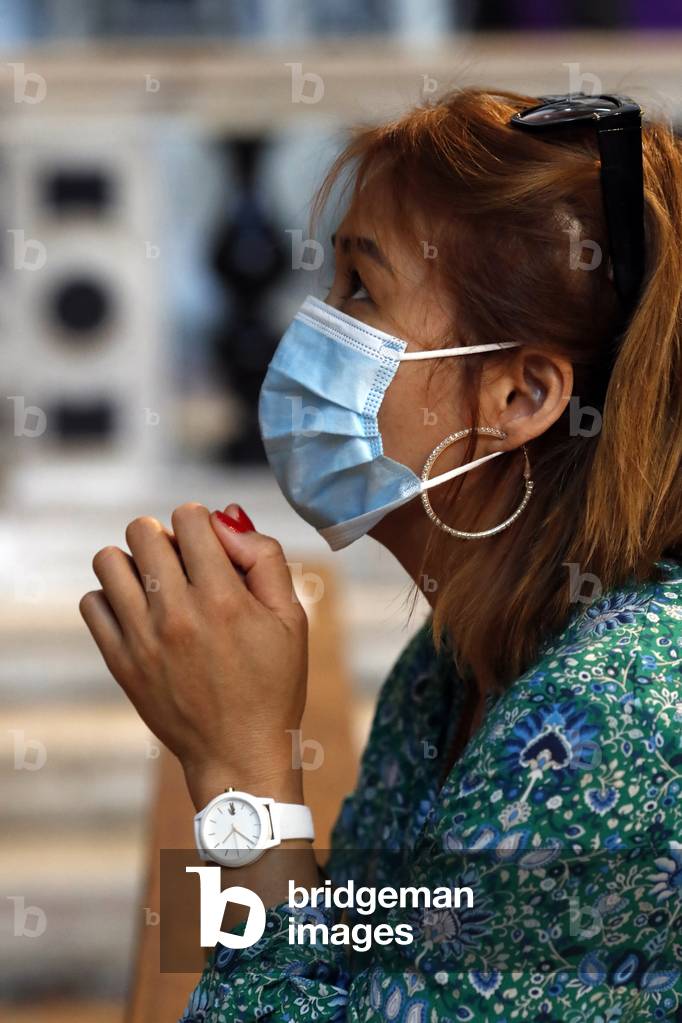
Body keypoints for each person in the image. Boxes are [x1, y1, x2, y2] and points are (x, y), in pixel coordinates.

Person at [79, 87, 682, 1021]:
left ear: (520, 396)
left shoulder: (613, 711)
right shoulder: (450, 668)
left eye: (362, 289)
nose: (312, 332)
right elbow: (352, 966)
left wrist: (239, 777)